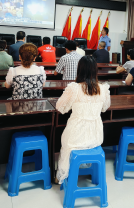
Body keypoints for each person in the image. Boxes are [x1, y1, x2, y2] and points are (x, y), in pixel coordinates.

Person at [55, 56, 110, 184]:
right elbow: (104, 108)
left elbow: (60, 107)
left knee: (66, 144)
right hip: (96, 136)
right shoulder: (102, 89)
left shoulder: (74, 88)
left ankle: (63, 175)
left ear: (79, 70)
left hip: (76, 136)